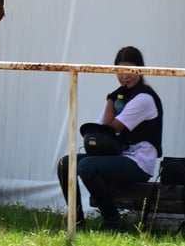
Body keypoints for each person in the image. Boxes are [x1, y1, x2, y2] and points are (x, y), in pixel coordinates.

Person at [57, 46, 164, 231]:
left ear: (141, 69)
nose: (124, 76)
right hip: (119, 156)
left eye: (130, 70)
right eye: (119, 71)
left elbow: (110, 128)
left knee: (86, 166)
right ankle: (76, 220)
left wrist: (110, 101)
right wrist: (111, 99)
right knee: (66, 163)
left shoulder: (144, 98)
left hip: (138, 162)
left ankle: (112, 220)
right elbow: (99, 132)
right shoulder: (119, 95)